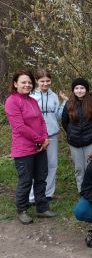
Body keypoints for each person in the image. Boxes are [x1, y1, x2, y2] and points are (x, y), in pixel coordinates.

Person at [5, 69, 56, 224]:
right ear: (15, 84)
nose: (27, 85)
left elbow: (41, 121)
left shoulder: (32, 101)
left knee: (41, 178)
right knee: (26, 180)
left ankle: (42, 208)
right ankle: (22, 209)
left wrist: (45, 138)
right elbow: (19, 127)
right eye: (23, 82)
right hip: (23, 149)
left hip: (40, 146)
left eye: (29, 82)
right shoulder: (12, 101)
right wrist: (40, 139)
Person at [29, 68, 68, 203]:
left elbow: (57, 116)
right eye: (42, 81)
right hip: (36, 136)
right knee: (35, 165)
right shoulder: (31, 96)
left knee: (52, 164)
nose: (45, 83)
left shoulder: (53, 96)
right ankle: (32, 196)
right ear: (36, 81)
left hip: (52, 134)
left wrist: (64, 103)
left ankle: (48, 193)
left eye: (48, 81)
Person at [62, 78, 92, 192]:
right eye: (77, 88)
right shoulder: (68, 104)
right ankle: (82, 190)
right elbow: (64, 122)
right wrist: (70, 133)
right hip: (74, 142)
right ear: (73, 90)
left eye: (82, 88)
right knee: (79, 168)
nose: (79, 90)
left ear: (86, 89)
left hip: (90, 140)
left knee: (90, 165)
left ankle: (91, 188)